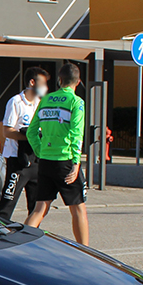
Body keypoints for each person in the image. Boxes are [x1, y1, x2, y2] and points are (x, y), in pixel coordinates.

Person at [26, 63, 89, 245]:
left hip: (45, 160)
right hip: (66, 161)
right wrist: (76, 163)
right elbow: (77, 134)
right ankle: (85, 252)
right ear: (78, 82)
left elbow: (31, 132)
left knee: (40, 209)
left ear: (60, 80)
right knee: (78, 209)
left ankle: (20, 247)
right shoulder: (76, 102)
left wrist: (40, 151)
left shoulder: (45, 99)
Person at [0, 67, 48, 220]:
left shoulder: (41, 103)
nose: (46, 88)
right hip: (17, 161)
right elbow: (7, 131)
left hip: (36, 159)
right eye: (43, 83)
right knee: (8, 202)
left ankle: (30, 235)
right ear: (32, 82)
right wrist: (30, 136)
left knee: (36, 204)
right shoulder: (16, 102)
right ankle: (0, 235)